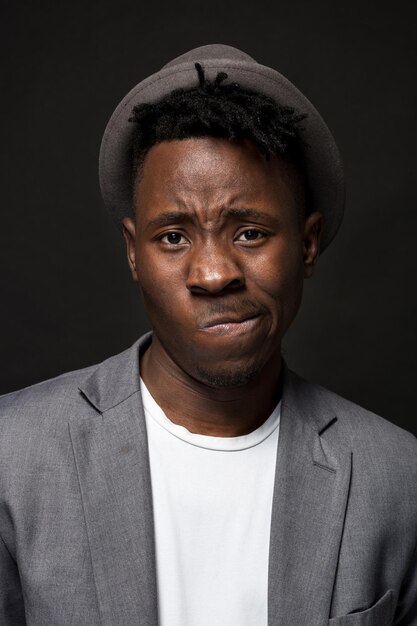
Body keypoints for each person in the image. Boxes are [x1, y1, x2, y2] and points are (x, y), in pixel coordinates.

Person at [0, 44, 416, 626]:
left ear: (308, 243)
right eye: (173, 237)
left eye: (249, 233)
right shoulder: (11, 458)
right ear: (132, 252)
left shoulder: (397, 477)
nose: (214, 274)